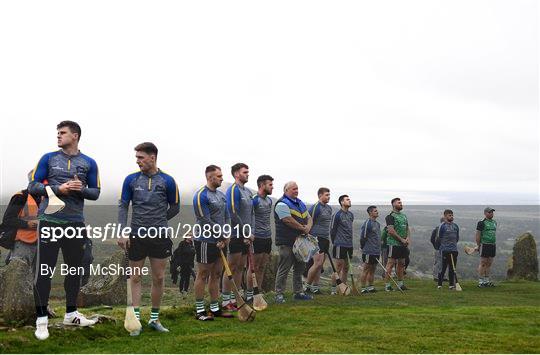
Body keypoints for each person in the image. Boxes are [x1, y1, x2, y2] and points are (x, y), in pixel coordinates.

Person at [29, 121, 100, 340]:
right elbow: (33, 186)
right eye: (57, 133)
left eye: (62, 133)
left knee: (74, 271)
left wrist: (81, 189)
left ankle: (71, 314)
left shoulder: (89, 162)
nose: (58, 136)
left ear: (75, 136)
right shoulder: (48, 158)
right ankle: (41, 319)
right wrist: (58, 189)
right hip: (50, 221)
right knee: (44, 271)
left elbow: (96, 192)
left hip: (75, 223)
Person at [118, 142, 180, 335]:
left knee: (159, 278)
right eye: (136, 157)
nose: (137, 161)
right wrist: (122, 231)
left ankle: (154, 319)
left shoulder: (168, 181)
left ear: (152, 157)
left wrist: (159, 220)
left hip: (159, 236)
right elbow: (123, 205)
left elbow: (175, 207)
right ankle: (135, 321)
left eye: (141, 157)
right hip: (136, 235)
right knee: (135, 277)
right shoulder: (131, 180)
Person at [192, 165, 233, 320]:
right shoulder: (201, 195)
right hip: (205, 240)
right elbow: (204, 220)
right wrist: (221, 236)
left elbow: (227, 216)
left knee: (216, 274)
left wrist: (226, 236)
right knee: (203, 274)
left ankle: (215, 308)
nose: (222, 178)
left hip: (221, 240)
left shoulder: (222, 196)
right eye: (219, 176)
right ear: (210, 177)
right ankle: (200, 311)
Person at [274, 181, 313, 303]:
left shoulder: (300, 203)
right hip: (287, 242)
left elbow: (309, 217)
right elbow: (287, 220)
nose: (296, 191)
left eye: (297, 189)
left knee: (300, 268)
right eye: (293, 189)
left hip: (300, 242)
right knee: (284, 268)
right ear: (286, 190)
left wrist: (308, 227)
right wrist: (303, 228)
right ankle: (279, 294)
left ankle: (298, 292)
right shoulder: (281, 203)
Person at [222, 163, 254, 310]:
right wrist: (245, 231)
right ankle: (225, 300)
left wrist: (250, 232)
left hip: (246, 236)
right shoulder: (233, 190)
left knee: (241, 267)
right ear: (236, 174)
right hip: (236, 235)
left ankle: (236, 298)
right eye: (245, 172)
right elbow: (233, 213)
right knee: (232, 267)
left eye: (248, 171)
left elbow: (251, 214)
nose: (248, 174)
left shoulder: (248, 192)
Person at [247, 175, 274, 300]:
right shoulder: (254, 200)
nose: (272, 187)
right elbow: (248, 217)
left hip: (267, 237)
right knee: (254, 266)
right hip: (256, 237)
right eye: (270, 184)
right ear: (262, 185)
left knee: (262, 266)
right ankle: (249, 293)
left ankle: (258, 292)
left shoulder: (269, 201)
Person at [304, 188, 332, 294]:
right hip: (316, 238)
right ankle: (307, 287)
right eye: (326, 195)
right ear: (320, 196)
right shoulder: (316, 207)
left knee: (320, 265)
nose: (328, 197)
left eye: (329, 195)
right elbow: (309, 221)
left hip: (325, 238)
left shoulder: (329, 208)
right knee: (317, 263)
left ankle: (315, 288)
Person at [384, 197, 410, 292]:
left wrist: (407, 238)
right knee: (390, 264)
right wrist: (401, 240)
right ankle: (387, 285)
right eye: (399, 202)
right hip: (393, 243)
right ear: (393, 204)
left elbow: (407, 228)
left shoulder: (404, 216)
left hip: (403, 244)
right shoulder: (390, 216)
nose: (401, 204)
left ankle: (400, 284)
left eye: (401, 202)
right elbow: (391, 231)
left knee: (401, 264)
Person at [330, 195, 354, 295]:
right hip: (339, 244)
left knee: (346, 268)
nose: (349, 200)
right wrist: (335, 242)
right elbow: (332, 230)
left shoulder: (351, 215)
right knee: (338, 268)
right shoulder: (337, 215)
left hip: (349, 245)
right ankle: (333, 289)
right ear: (342, 202)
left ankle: (343, 289)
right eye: (347, 199)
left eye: (349, 199)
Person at [359, 205, 380, 293]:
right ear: (370, 213)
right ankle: (363, 288)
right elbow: (363, 237)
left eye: (377, 211)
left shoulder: (377, 224)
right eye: (375, 211)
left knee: (373, 269)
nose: (377, 212)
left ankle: (370, 287)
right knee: (366, 269)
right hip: (368, 251)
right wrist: (363, 247)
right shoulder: (367, 223)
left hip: (376, 251)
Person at [436, 209, 459, 289]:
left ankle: (451, 285)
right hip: (445, 250)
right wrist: (443, 247)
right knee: (443, 267)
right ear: (445, 216)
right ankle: (439, 284)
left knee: (452, 268)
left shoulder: (455, 226)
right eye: (450, 215)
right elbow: (439, 238)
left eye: (452, 215)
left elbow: (457, 238)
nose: (451, 217)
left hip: (454, 250)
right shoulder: (442, 226)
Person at [476, 207, 497, 287]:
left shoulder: (494, 222)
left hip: (492, 245)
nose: (491, 213)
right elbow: (478, 235)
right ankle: (481, 282)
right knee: (483, 263)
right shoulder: (481, 223)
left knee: (489, 263)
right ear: (485, 213)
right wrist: (478, 245)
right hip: (484, 245)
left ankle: (486, 281)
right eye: (489, 212)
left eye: (492, 212)